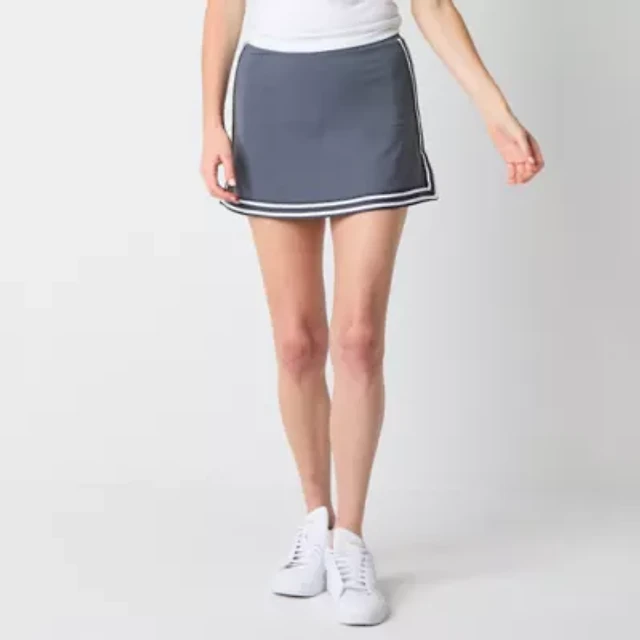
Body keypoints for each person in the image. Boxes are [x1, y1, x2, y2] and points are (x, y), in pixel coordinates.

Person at [200, 0, 544, 627]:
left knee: (358, 340)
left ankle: (350, 539)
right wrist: (210, 122)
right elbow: (224, 8)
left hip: (369, 91)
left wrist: (495, 111)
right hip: (272, 96)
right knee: (297, 343)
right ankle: (316, 519)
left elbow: (430, 4)